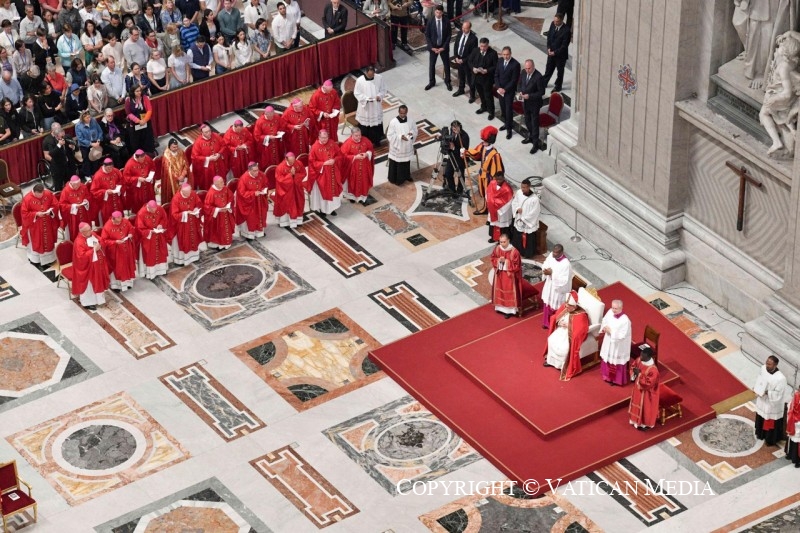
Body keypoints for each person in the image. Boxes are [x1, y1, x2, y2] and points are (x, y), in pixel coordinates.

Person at [543, 290, 588, 381]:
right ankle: (551, 361)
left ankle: (562, 365)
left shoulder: (581, 314)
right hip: (561, 330)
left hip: (569, 335)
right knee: (551, 340)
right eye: (566, 305)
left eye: (568, 306)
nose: (566, 307)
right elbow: (555, 317)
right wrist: (559, 322)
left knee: (564, 347)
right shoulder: (566, 306)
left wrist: (568, 326)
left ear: (574, 306)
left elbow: (581, 329)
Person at [462, 125, 503, 215]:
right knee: (484, 193)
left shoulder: (495, 154)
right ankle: (486, 208)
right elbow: (476, 154)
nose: (483, 142)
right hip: (482, 174)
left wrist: (495, 183)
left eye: (485, 141)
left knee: (489, 194)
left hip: (489, 177)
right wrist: (466, 152)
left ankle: (488, 209)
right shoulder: (482, 147)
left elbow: (498, 171)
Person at [72, 222, 110, 309]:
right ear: (82, 232)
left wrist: (100, 243)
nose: (91, 231)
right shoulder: (79, 242)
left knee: (97, 282)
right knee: (89, 286)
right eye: (88, 230)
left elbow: (101, 240)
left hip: (96, 266)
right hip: (87, 268)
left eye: (90, 229)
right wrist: (94, 250)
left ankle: (98, 300)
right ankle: (87, 303)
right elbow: (81, 257)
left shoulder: (92, 234)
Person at [754, 355, 789, 446]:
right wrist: (757, 388)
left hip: (771, 403)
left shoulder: (781, 378)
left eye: (769, 364)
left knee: (769, 421)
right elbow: (760, 380)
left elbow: (779, 394)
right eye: (767, 363)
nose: (767, 365)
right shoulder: (763, 368)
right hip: (762, 400)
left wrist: (767, 392)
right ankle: (760, 434)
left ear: (775, 365)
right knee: (761, 417)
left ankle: (769, 439)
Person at [307, 129, 343, 216]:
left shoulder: (332, 143)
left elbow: (339, 155)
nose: (324, 139)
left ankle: (332, 208)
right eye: (322, 138)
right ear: (319, 137)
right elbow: (312, 162)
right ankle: (322, 209)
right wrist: (323, 164)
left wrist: (334, 160)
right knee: (323, 192)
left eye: (326, 137)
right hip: (321, 175)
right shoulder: (315, 147)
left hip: (333, 172)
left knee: (333, 190)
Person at [21, 183, 59, 266]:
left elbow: (55, 204)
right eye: (39, 195)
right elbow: (24, 214)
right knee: (37, 241)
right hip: (35, 225)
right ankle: (35, 259)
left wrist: (50, 211)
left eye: (42, 194)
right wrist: (36, 214)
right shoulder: (27, 198)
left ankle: (49, 259)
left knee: (48, 240)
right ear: (34, 192)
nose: (41, 197)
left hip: (47, 222)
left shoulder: (48, 194)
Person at [100, 211, 137, 292]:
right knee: (118, 268)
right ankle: (116, 286)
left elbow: (131, 228)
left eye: (121, 220)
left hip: (126, 248)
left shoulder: (125, 221)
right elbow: (104, 240)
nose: (120, 222)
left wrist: (130, 234)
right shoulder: (107, 227)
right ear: (113, 219)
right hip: (115, 252)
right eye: (117, 221)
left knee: (127, 265)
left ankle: (128, 283)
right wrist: (115, 242)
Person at [170, 183, 205, 265]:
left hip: (193, 221)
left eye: (190, 192)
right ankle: (182, 260)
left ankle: (194, 256)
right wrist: (186, 213)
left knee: (194, 238)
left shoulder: (192, 193)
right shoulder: (176, 199)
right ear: (182, 191)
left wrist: (196, 208)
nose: (190, 194)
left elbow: (198, 203)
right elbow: (174, 214)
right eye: (187, 193)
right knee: (184, 241)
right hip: (182, 225)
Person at [599, 299, 632, 386]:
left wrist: (611, 332)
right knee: (607, 358)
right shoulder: (610, 312)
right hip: (608, 341)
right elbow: (604, 320)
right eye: (612, 307)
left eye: (615, 308)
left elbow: (623, 335)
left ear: (621, 308)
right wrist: (604, 327)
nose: (613, 310)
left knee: (615, 361)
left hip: (618, 345)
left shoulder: (625, 320)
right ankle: (607, 376)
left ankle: (615, 380)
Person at [136, 200, 170, 279]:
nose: (154, 211)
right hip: (148, 238)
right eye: (152, 210)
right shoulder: (141, 213)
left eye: (155, 209)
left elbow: (164, 218)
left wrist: (161, 224)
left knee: (161, 252)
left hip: (159, 235)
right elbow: (139, 228)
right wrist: (150, 231)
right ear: (148, 207)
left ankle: (162, 270)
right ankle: (150, 273)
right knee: (150, 255)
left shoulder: (159, 208)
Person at [490, 232, 522, 318]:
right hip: (499, 274)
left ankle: (509, 310)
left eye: (504, 242)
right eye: (501, 242)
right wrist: (498, 261)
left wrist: (506, 262)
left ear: (508, 241)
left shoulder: (514, 252)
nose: (502, 244)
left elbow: (517, 266)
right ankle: (499, 307)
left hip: (509, 276)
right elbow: (492, 258)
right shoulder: (497, 248)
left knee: (508, 293)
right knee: (499, 291)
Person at [353, 65, 386, 146]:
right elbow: (356, 93)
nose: (371, 77)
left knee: (376, 124)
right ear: (365, 72)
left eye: (372, 75)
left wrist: (379, 96)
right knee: (365, 125)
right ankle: (365, 143)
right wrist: (366, 99)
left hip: (375, 105)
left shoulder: (379, 78)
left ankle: (377, 140)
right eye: (369, 75)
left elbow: (383, 89)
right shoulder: (360, 80)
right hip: (366, 107)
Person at [540, 243, 571, 328]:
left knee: (555, 307)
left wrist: (552, 274)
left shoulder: (566, 264)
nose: (554, 254)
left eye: (556, 253)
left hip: (558, 289)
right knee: (547, 304)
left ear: (561, 253)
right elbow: (546, 263)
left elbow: (564, 280)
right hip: (550, 285)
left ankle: (554, 324)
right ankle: (546, 323)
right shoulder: (551, 255)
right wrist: (545, 270)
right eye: (553, 252)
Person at [235, 161, 268, 239]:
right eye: (254, 171)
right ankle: (249, 235)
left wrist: (264, 190)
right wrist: (253, 193)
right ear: (249, 170)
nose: (257, 172)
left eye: (257, 170)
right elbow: (242, 193)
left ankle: (259, 232)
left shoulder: (261, 175)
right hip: (249, 203)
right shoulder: (243, 179)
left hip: (260, 201)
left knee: (261, 215)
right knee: (251, 218)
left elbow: (265, 184)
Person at [340, 127, 374, 204]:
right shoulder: (348, 143)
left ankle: (361, 197)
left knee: (363, 181)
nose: (359, 137)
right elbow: (343, 156)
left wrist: (367, 154)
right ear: (352, 134)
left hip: (364, 166)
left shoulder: (365, 140)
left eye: (359, 135)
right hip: (352, 168)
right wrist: (355, 157)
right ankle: (351, 196)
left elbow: (370, 149)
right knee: (352, 182)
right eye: (356, 135)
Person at [628, 347, 659, 430]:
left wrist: (639, 374)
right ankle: (635, 420)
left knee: (645, 408)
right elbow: (633, 366)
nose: (640, 357)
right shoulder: (639, 360)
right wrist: (634, 373)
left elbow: (649, 384)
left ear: (648, 357)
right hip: (637, 389)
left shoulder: (653, 370)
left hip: (647, 393)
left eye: (642, 356)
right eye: (640, 355)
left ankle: (643, 424)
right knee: (636, 403)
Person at [519, 59, 546, 153]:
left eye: (529, 68)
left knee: (534, 124)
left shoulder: (538, 77)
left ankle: (535, 144)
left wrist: (529, 96)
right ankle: (531, 136)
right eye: (526, 68)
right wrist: (520, 91)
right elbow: (520, 84)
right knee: (527, 121)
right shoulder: (523, 72)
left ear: (533, 67)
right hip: (525, 102)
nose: (527, 70)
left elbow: (542, 92)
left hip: (534, 104)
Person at [386, 105, 417, 185]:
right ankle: (395, 179)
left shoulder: (411, 120)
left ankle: (406, 176)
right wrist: (400, 137)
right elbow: (389, 135)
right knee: (396, 163)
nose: (403, 115)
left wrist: (411, 133)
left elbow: (414, 130)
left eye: (404, 113)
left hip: (406, 146)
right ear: (398, 112)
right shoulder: (393, 122)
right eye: (401, 113)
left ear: (407, 112)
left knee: (406, 162)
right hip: (397, 147)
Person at [274, 151, 306, 228]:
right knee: (287, 205)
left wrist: (295, 175)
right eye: (290, 161)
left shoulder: (298, 163)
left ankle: (298, 220)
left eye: (293, 160)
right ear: (286, 159)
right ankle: (285, 222)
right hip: (285, 190)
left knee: (298, 203)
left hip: (297, 189)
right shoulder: (280, 167)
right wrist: (290, 175)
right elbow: (280, 180)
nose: (292, 163)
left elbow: (303, 173)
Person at [192, 123, 228, 191]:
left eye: (209, 131)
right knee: (209, 182)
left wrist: (219, 154)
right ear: (202, 133)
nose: (209, 133)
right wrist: (208, 158)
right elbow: (195, 156)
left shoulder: (216, 136)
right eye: (206, 132)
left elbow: (223, 145)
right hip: (208, 167)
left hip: (219, 163)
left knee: (221, 179)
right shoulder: (198, 142)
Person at [510, 178, 540, 258]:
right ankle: (517, 251)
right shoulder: (519, 193)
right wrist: (517, 209)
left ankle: (527, 254)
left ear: (529, 187)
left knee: (528, 239)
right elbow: (514, 202)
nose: (522, 189)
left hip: (528, 222)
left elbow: (535, 212)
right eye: (521, 187)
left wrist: (524, 219)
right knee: (517, 236)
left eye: (524, 187)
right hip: (519, 220)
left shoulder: (534, 199)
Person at [423, 5, 450, 91]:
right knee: (432, 65)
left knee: (446, 64)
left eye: (440, 13)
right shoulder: (430, 21)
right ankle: (432, 82)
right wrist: (431, 47)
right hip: (433, 47)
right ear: (435, 12)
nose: (438, 14)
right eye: (437, 12)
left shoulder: (446, 21)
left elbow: (449, 35)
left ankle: (448, 81)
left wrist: (443, 47)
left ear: (442, 13)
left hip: (443, 47)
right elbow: (427, 35)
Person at [495, 46, 520, 139]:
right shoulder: (500, 61)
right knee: (503, 108)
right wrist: (499, 87)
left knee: (508, 110)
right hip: (500, 90)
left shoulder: (515, 64)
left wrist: (505, 89)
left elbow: (514, 80)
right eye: (504, 54)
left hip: (509, 91)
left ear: (510, 54)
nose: (505, 56)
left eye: (507, 54)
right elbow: (496, 75)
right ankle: (506, 124)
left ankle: (509, 129)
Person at [469, 37, 497, 119]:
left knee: (488, 96)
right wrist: (473, 68)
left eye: (484, 46)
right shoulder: (475, 50)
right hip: (477, 77)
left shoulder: (493, 53)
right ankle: (483, 107)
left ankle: (491, 112)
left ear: (487, 45)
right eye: (481, 46)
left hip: (487, 79)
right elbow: (470, 61)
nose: (482, 48)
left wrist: (487, 70)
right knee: (481, 94)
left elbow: (495, 66)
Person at [204, 175, 235, 249]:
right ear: (215, 183)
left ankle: (226, 243)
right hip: (217, 217)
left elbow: (231, 197)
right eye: (221, 182)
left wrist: (228, 205)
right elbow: (207, 207)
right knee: (218, 231)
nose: (223, 183)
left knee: (226, 229)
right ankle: (218, 245)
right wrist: (218, 209)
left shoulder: (225, 188)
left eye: (223, 181)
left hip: (226, 213)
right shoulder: (211, 193)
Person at [59, 175, 93, 241]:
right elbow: (62, 205)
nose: (77, 186)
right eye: (75, 185)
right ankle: (76, 243)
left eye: (78, 184)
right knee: (75, 232)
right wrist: (74, 206)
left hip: (84, 213)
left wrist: (86, 201)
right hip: (73, 216)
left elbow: (88, 196)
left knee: (86, 229)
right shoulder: (65, 191)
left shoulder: (83, 187)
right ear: (71, 183)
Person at [542, 13, 570, 92]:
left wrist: (555, 52)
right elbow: (549, 37)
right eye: (554, 21)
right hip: (551, 52)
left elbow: (564, 46)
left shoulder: (566, 30)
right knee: (548, 69)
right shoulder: (552, 24)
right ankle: (544, 82)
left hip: (560, 56)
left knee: (560, 72)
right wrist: (548, 48)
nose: (555, 23)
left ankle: (558, 86)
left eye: (557, 21)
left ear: (561, 21)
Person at [91, 158, 125, 224]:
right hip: (106, 202)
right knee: (109, 219)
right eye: (108, 168)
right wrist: (105, 191)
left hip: (117, 199)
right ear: (104, 166)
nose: (110, 170)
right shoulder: (98, 176)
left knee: (119, 216)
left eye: (111, 167)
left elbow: (122, 180)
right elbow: (94, 191)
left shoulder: (116, 171)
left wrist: (118, 187)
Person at [42, 123, 74, 192]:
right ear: (53, 130)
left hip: (67, 163)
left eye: (60, 129)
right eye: (58, 129)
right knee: (58, 186)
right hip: (57, 165)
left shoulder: (64, 136)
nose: (60, 131)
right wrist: (54, 163)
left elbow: (72, 147)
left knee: (69, 183)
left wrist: (72, 147)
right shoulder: (48, 140)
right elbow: (48, 154)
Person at [161, 138, 192, 204]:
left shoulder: (181, 152)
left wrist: (183, 175)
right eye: (174, 147)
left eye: (177, 146)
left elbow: (185, 164)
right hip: (172, 179)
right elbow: (168, 170)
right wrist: (178, 177)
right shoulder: (167, 156)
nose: (176, 148)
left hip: (183, 177)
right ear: (169, 147)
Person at [254, 105, 286, 170]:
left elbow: (282, 126)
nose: (271, 118)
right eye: (269, 116)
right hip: (266, 146)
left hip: (276, 143)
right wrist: (267, 137)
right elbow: (257, 135)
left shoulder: (276, 117)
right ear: (265, 114)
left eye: (272, 115)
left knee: (278, 157)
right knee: (268, 160)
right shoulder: (260, 122)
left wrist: (279, 131)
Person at [485, 171, 513, 243]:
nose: (498, 181)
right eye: (496, 179)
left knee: (502, 227)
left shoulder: (507, 189)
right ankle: (493, 237)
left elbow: (509, 201)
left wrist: (499, 211)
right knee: (493, 224)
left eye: (500, 179)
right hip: (493, 209)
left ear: (503, 178)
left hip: (502, 212)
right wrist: (490, 203)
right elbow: (488, 193)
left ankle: (502, 240)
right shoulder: (492, 183)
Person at [452, 21, 477, 99]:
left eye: (465, 28)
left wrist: (463, 60)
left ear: (469, 28)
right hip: (459, 59)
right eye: (462, 27)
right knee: (461, 76)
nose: (463, 29)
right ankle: (461, 90)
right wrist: (456, 56)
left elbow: (473, 53)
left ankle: (472, 95)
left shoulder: (473, 39)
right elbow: (456, 45)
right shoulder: (460, 33)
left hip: (467, 62)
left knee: (469, 79)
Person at [786, 386, 800, 468]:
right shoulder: (796, 395)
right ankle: (794, 458)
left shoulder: (796, 395)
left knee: (795, 439)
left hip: (795, 421)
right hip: (795, 421)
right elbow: (791, 406)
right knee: (794, 439)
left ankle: (793, 457)